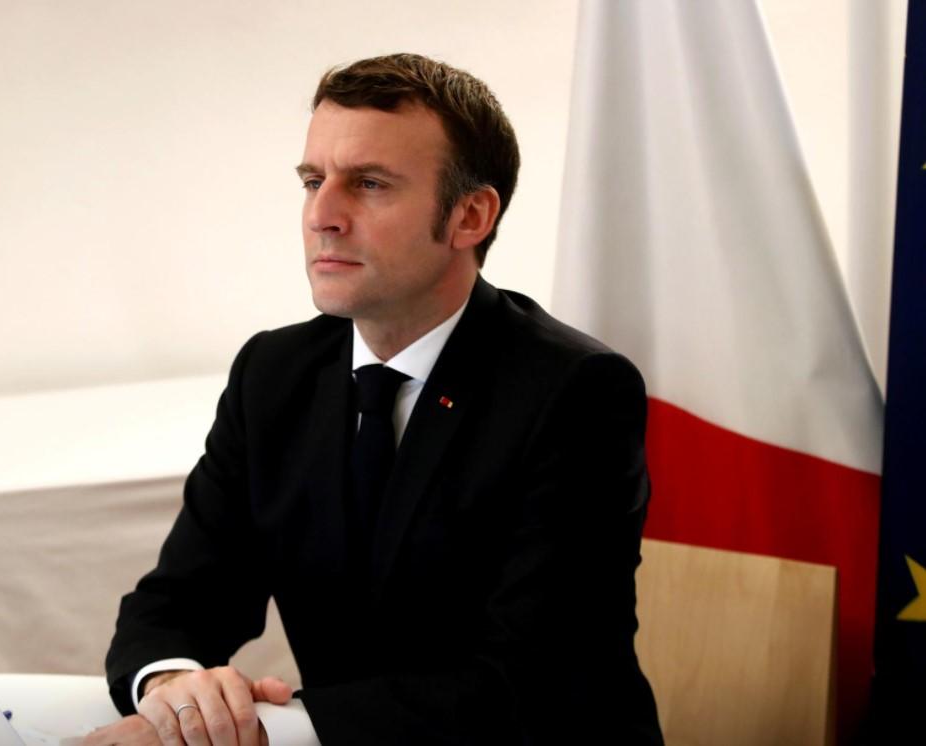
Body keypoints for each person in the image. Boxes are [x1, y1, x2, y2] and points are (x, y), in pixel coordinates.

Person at [87, 53, 663, 745]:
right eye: (311, 181)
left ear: (469, 215)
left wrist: (272, 733)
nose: (322, 216)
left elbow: (523, 679)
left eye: (368, 184)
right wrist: (175, 689)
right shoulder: (274, 371)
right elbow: (181, 599)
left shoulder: (574, 392)